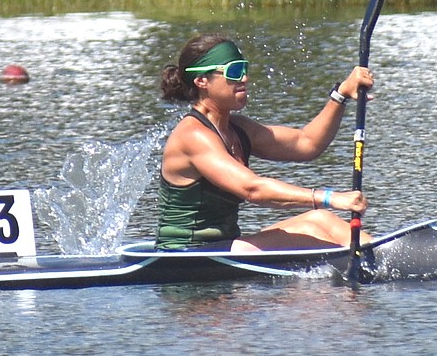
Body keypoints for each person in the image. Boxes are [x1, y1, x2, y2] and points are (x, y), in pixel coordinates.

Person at [157, 33, 374, 252]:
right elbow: (252, 189)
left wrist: (341, 94)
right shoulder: (193, 135)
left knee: (321, 220)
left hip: (225, 246)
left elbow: (307, 143)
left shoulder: (239, 128)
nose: (244, 78)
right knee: (313, 232)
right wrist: (331, 197)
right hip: (186, 255)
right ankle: (360, 261)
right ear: (201, 81)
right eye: (233, 72)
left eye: (244, 69)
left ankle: (380, 254)